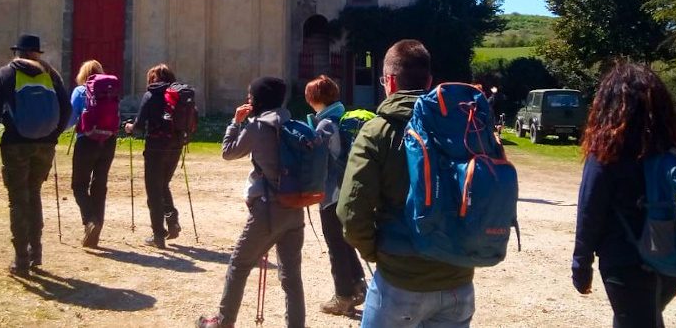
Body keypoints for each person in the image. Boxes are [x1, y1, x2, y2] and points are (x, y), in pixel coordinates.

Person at [337, 39, 475, 328]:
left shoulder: (378, 131)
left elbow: (351, 211)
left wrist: (378, 252)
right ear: (429, 81)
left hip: (400, 280)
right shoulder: (463, 127)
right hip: (458, 281)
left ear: (389, 81)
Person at [571, 61, 676, 327]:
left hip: (626, 263)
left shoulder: (606, 151)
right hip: (669, 262)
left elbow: (590, 210)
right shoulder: (673, 149)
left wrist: (581, 265)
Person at [197, 76, 306, 328]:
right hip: (295, 207)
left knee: (239, 263)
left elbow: (228, 151)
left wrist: (235, 123)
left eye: (251, 96)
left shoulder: (257, 126)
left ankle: (223, 323)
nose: (248, 99)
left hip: (267, 209)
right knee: (292, 276)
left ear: (259, 100)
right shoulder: (293, 123)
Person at [0, 34, 71, 277]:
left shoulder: (6, 74)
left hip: (15, 144)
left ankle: (21, 260)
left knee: (18, 199)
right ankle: (36, 252)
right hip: (45, 145)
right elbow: (67, 109)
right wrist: (53, 134)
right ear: (36, 53)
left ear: (17, 52)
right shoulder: (50, 74)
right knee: (35, 193)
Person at [304, 75, 366, 315]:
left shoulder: (325, 124)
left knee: (335, 246)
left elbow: (320, 162)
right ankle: (358, 285)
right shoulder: (341, 117)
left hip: (332, 193)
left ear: (314, 98)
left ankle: (343, 296)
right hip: (347, 190)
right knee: (344, 241)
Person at [124, 63, 183, 248]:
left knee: (154, 191)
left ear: (153, 79)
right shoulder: (180, 95)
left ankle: (158, 234)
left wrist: (128, 127)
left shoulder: (151, 94)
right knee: (163, 184)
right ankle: (172, 222)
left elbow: (139, 125)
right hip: (176, 146)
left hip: (156, 147)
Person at [66, 59, 117, 248]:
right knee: (100, 185)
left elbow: (71, 119)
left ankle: (90, 220)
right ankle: (95, 233)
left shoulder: (80, 91)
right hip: (109, 141)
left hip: (86, 141)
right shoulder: (111, 92)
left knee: (79, 185)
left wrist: (53, 131)